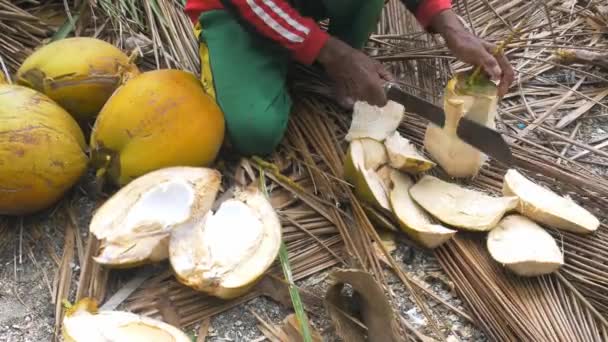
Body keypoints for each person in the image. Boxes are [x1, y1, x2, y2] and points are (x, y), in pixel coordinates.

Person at [185, 0, 514, 156]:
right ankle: (300, 54)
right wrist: (331, 53)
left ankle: (319, 48)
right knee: (253, 130)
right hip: (238, 12)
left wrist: (448, 25)